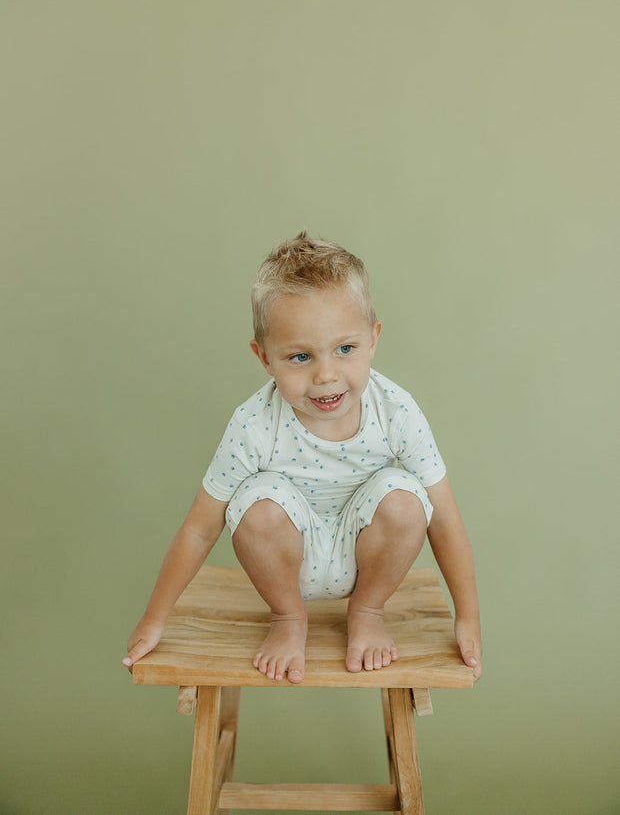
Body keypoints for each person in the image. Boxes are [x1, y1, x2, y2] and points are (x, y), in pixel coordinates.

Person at [122, 232, 482, 685]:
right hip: (287, 567)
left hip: (369, 560)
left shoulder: (397, 411)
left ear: (374, 339)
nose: (326, 375)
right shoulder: (254, 424)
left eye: (345, 349)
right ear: (264, 358)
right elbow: (200, 528)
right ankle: (288, 619)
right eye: (299, 356)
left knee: (407, 497)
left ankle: (367, 612)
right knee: (256, 502)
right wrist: (155, 619)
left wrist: (467, 617)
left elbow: (444, 517)